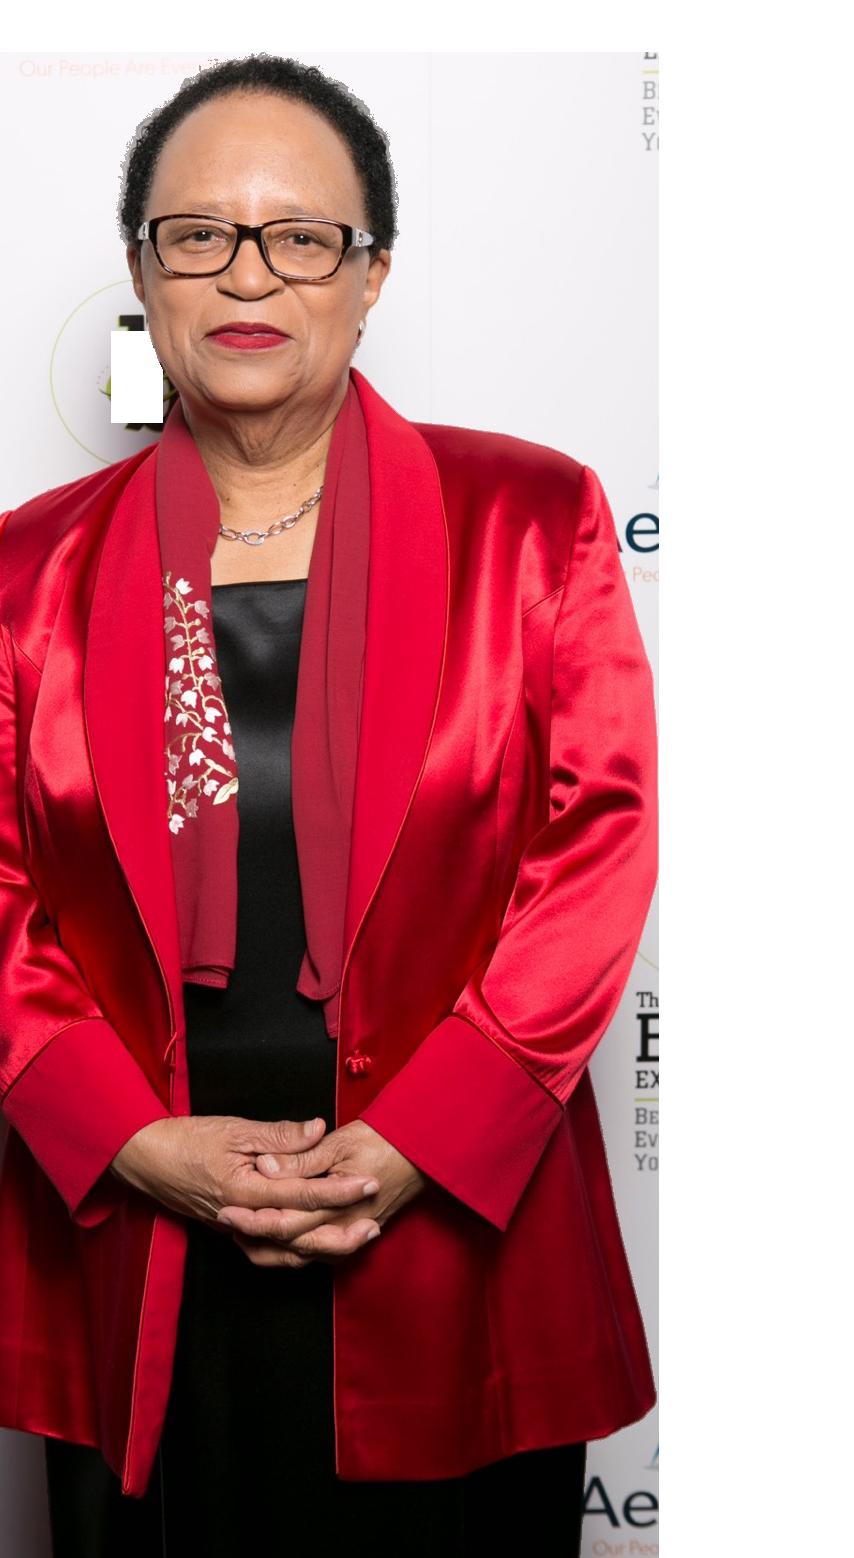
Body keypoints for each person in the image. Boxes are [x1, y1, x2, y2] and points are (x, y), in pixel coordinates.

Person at [0, 53, 657, 1557]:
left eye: (300, 236)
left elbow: (595, 844)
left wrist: (425, 1134)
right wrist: (126, 1135)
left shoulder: (529, 520)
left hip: (451, 1233)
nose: (249, 273)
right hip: (138, 1234)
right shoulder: (25, 573)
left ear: (372, 275)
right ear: (141, 272)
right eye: (199, 235)